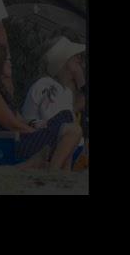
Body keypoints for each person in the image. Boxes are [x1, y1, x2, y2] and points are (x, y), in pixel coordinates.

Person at [0, 43, 82, 170]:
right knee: (73, 130)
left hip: (9, 141)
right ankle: (53, 172)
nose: (11, 63)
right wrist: (35, 132)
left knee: (68, 120)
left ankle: (60, 174)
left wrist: (35, 124)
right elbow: (10, 123)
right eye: (8, 60)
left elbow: (19, 119)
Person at [20, 35, 87, 168]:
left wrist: (80, 81)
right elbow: (52, 124)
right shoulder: (46, 85)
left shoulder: (65, 91)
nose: (79, 59)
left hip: (47, 142)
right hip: (34, 144)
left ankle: (62, 172)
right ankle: (54, 171)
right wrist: (81, 80)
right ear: (64, 62)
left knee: (72, 129)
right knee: (73, 130)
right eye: (74, 56)